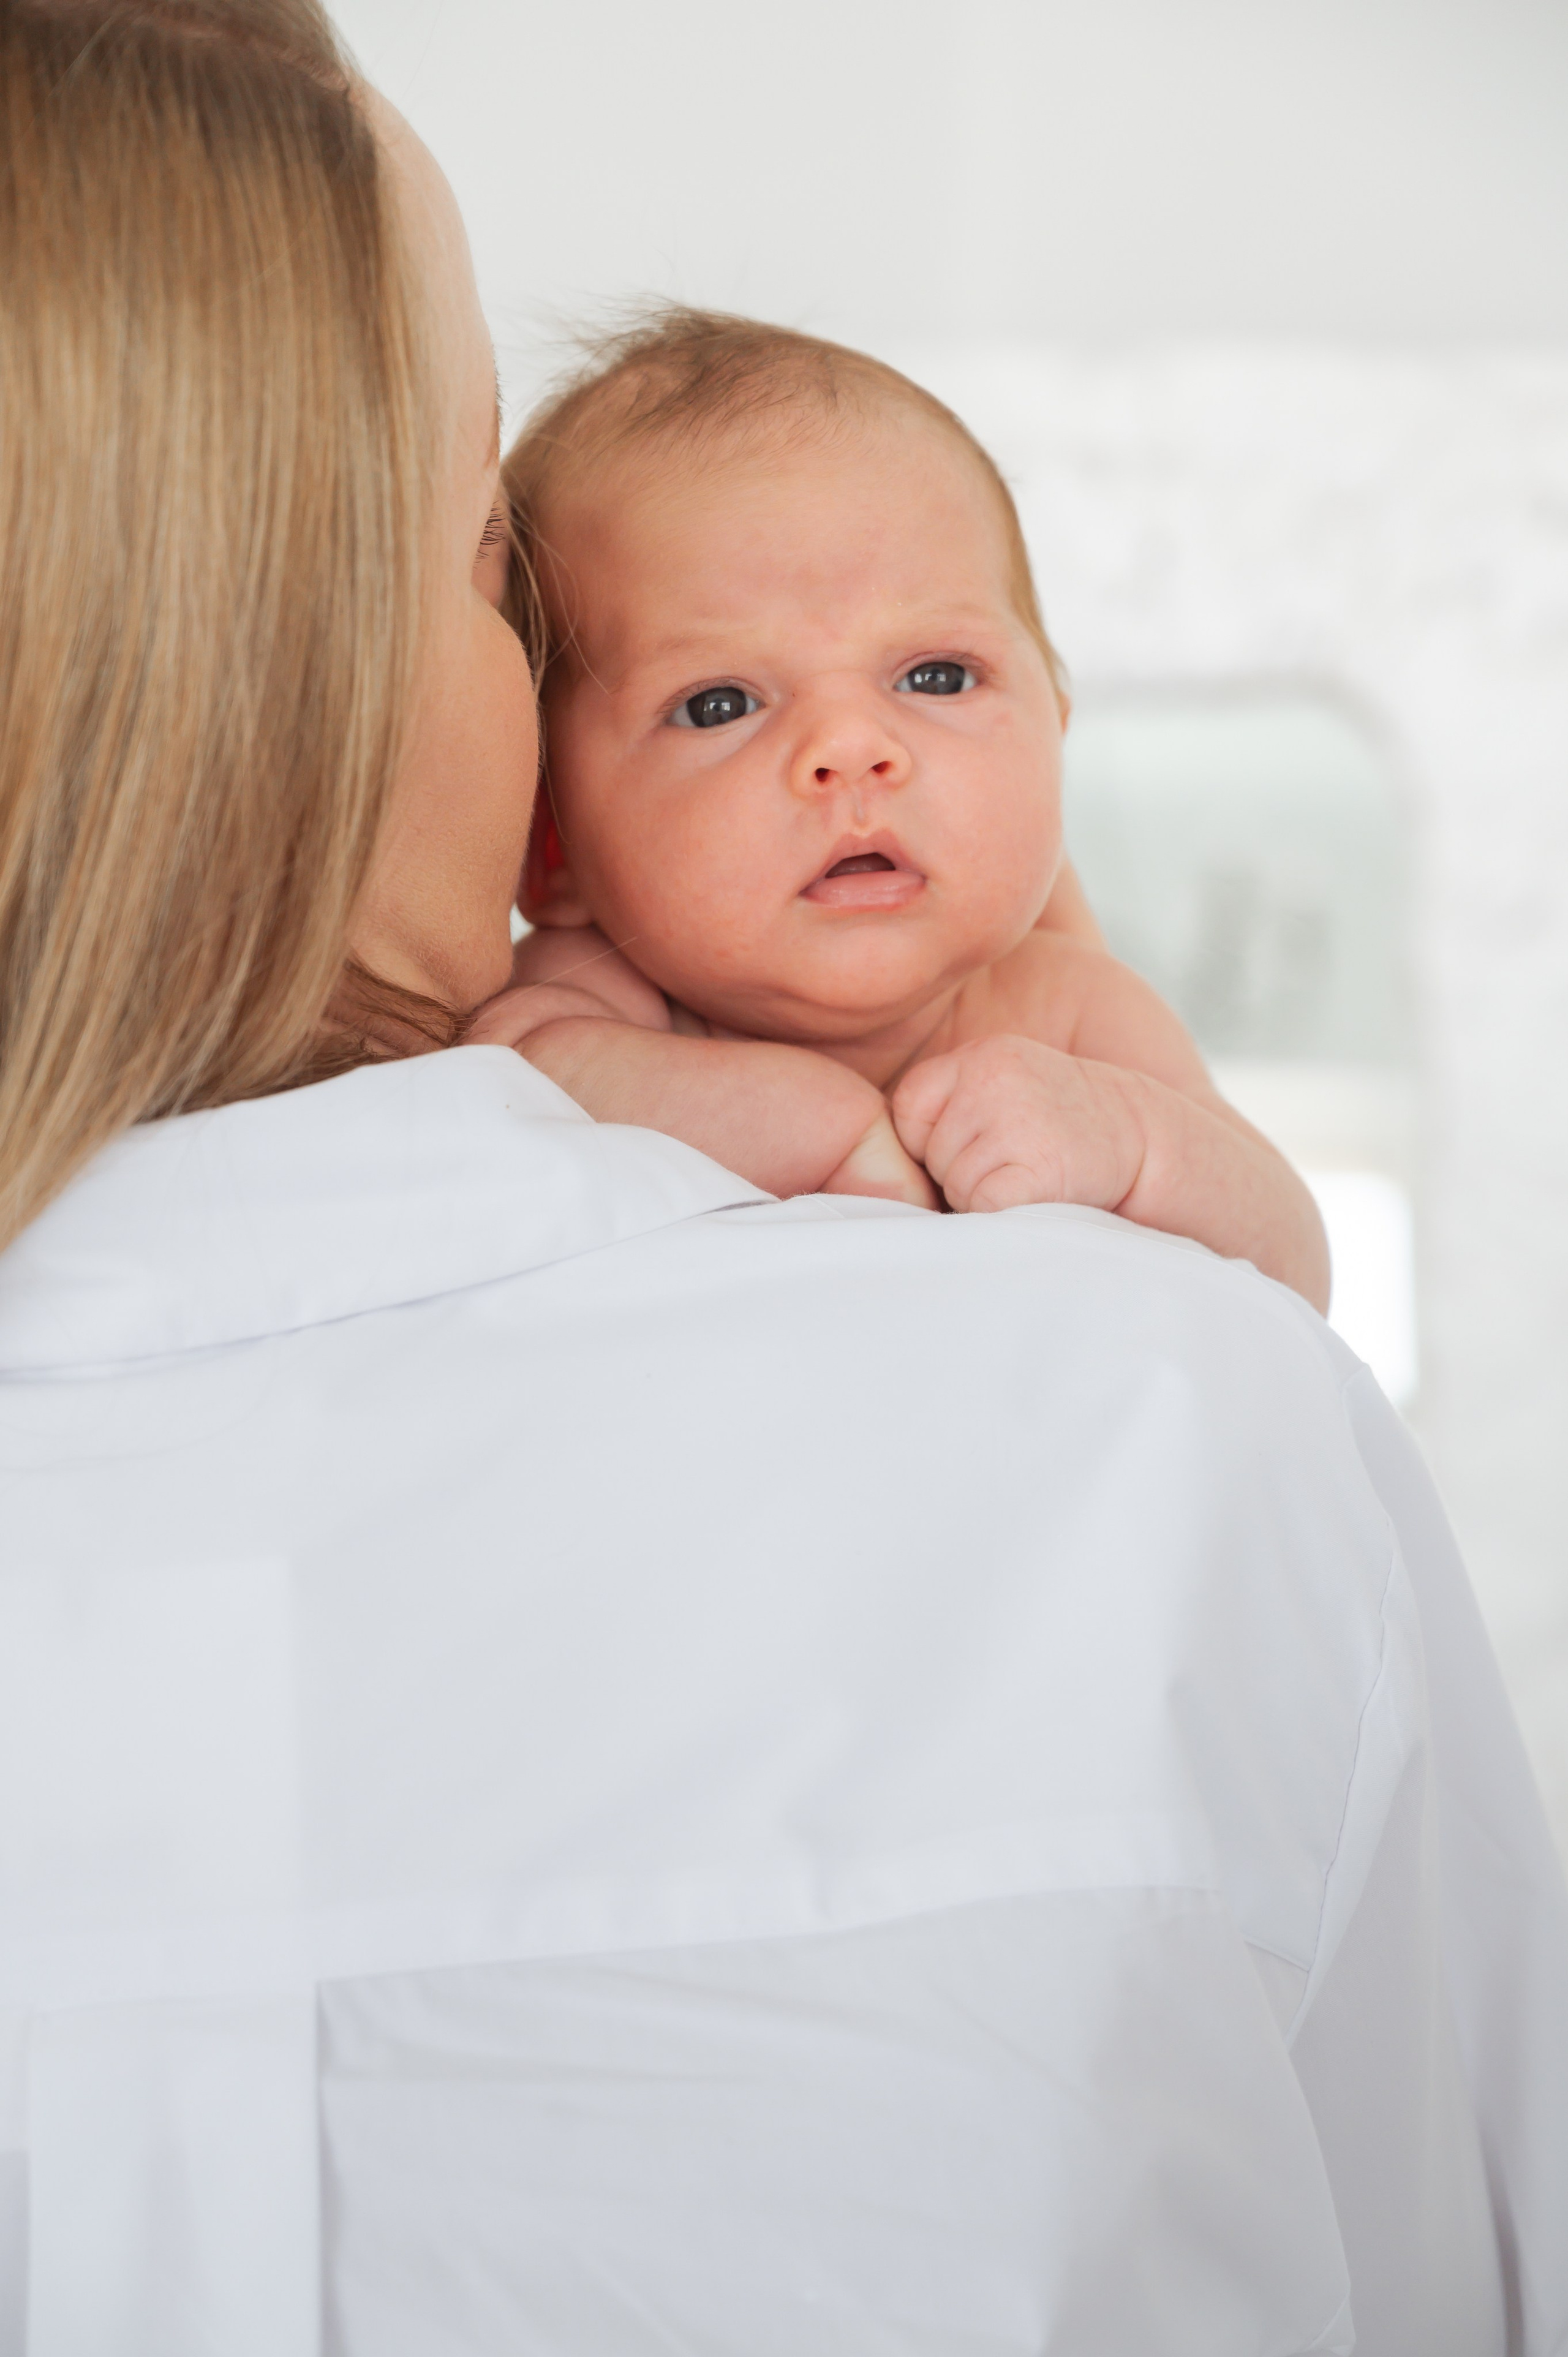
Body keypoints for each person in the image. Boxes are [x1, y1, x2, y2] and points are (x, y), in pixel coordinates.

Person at [1, 4, 1565, 2353]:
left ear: (1055, 705)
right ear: (280, 670)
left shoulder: (1106, 1242)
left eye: (943, 674)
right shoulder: (1139, 1431)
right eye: (485, 573)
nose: (848, 745)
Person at [473, 311, 1329, 1307]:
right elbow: (505, 1100)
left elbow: (1296, 1271)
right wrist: (811, 1120)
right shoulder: (601, 1008)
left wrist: (1129, 1143)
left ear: (1054, 731)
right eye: (721, 704)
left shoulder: (1067, 1012)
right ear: (553, 850)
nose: (852, 749)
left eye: (935, 675)